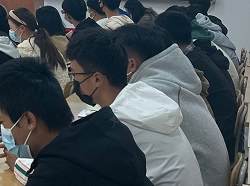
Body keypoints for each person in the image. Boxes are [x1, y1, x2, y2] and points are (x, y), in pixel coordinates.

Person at [66, 29, 203, 186]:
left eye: (75, 75)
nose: (75, 81)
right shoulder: (143, 96)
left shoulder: (115, 126)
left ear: (97, 79)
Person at [0, 58, 152, 186]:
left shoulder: (51, 175)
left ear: (29, 120)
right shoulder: (108, 126)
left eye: (4, 122)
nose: (5, 130)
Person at [112, 24, 230, 186]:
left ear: (130, 64)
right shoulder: (174, 72)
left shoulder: (154, 90)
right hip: (208, 175)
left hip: (203, 180)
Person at [155, 10, 236, 161]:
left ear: (164, 37)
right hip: (225, 136)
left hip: (221, 142)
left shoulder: (189, 65)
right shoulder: (196, 54)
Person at [8, 8, 69, 90]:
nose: (10, 31)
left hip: (50, 94)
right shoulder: (45, 42)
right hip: (63, 92)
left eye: (11, 27)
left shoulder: (25, 47)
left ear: (22, 28)